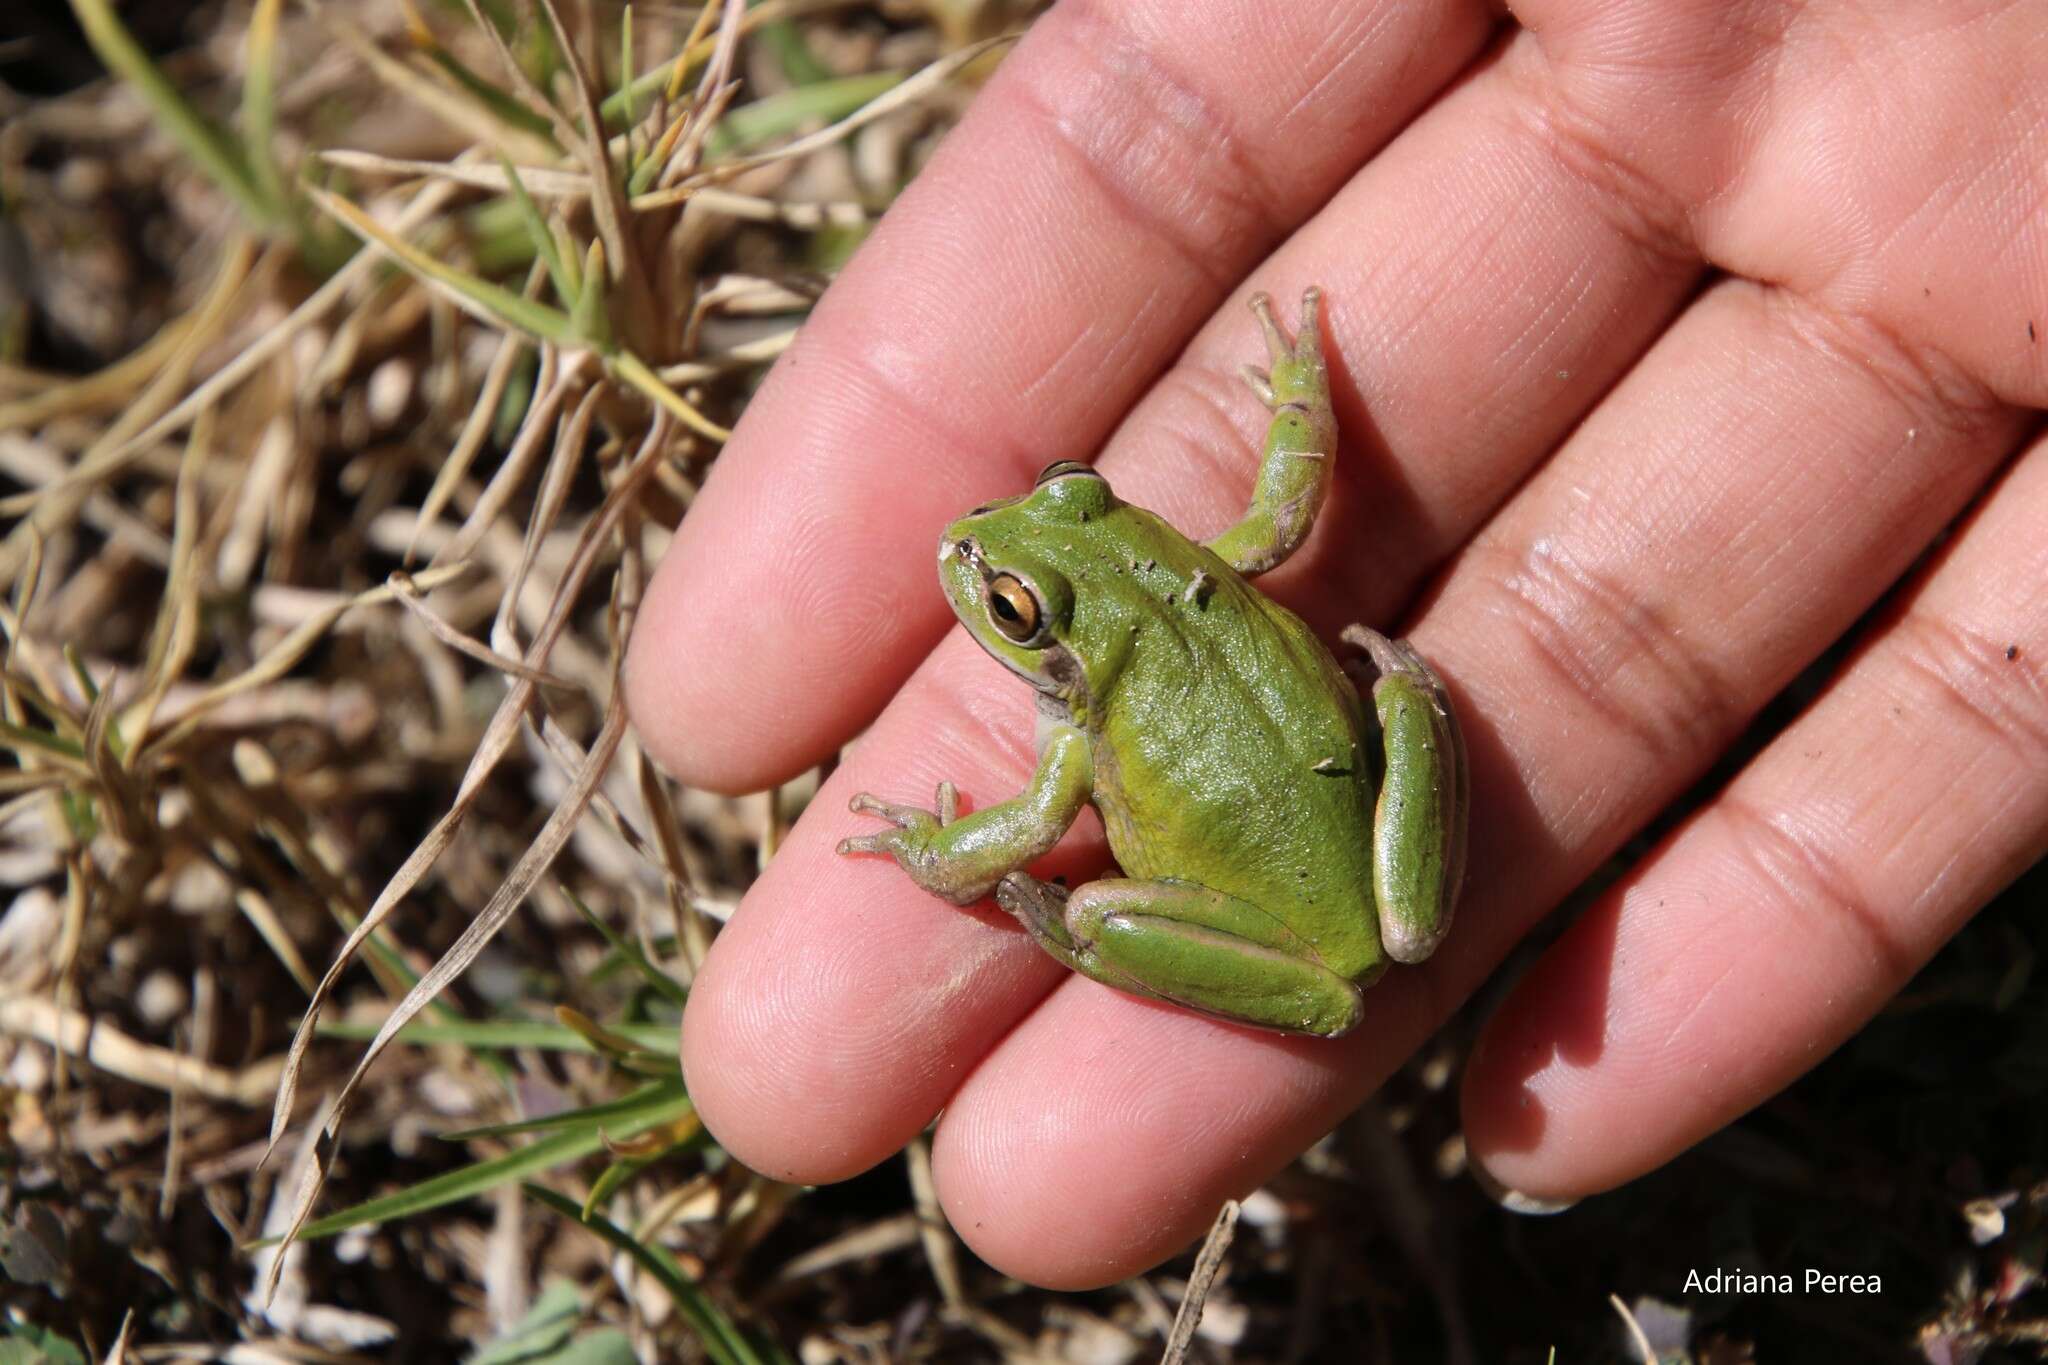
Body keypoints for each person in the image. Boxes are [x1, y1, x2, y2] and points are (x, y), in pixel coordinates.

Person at [624, 0, 2048, 1290]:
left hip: (1301, 911)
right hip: (1348, 865)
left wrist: (946, 854)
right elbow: (1284, 502)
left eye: (1052, 539)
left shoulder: (1089, 711)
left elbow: (1028, 824)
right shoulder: (1210, 572)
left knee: (1106, 908)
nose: (988, 544)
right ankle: (1379, 773)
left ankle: (1158, 911)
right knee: (1380, 879)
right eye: (1019, 595)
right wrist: (1308, 417)